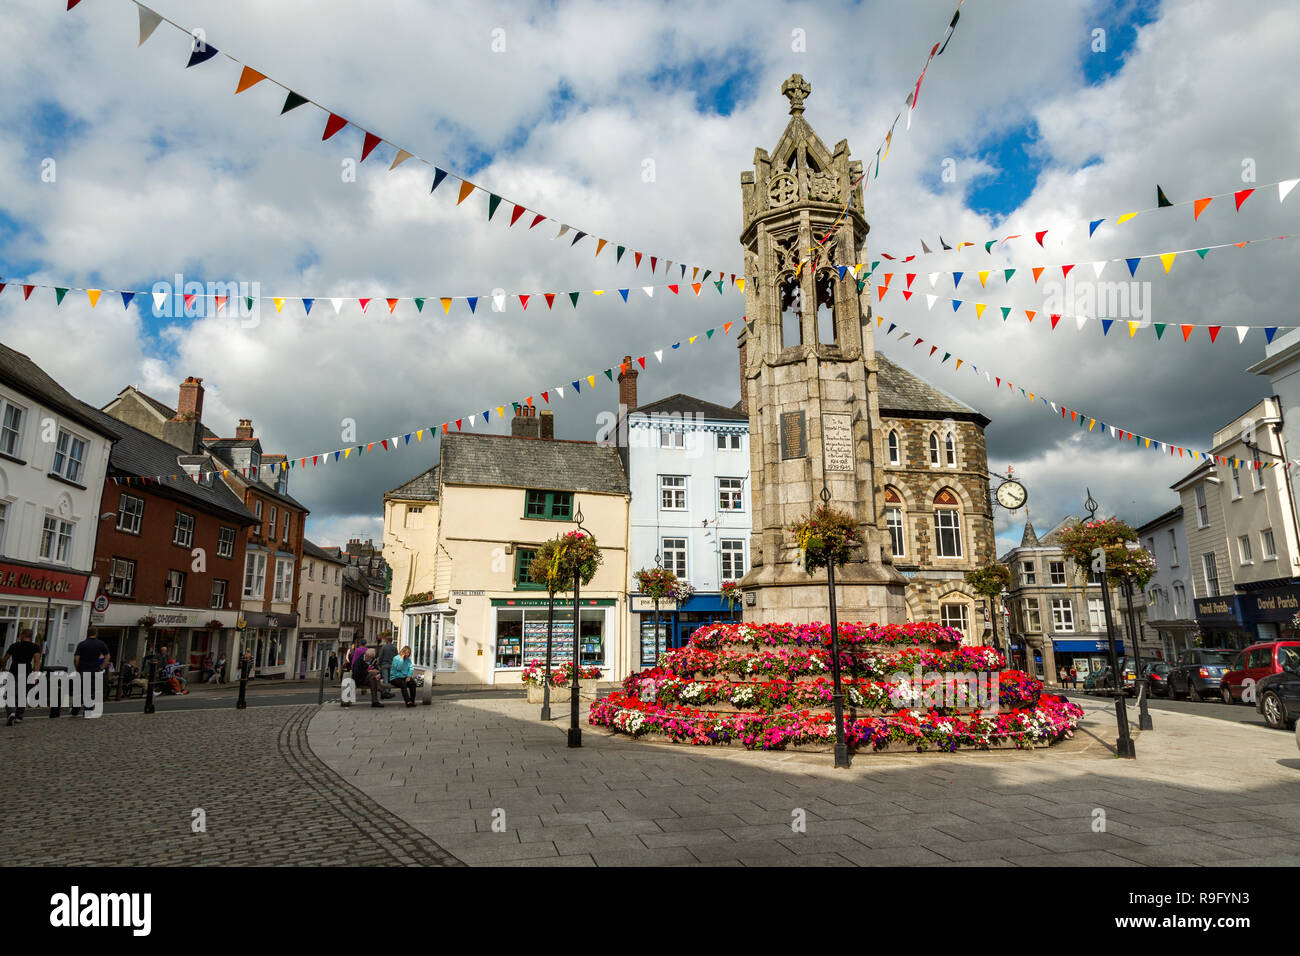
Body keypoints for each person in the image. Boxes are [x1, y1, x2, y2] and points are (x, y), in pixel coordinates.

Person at [1, 628, 41, 725]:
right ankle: (19, 716)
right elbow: (36, 661)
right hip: (26, 670)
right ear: (31, 637)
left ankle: (11, 712)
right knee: (22, 694)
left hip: (14, 670)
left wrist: (3, 668)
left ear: (22, 635)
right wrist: (36, 675)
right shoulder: (35, 647)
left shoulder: (14, 646)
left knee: (10, 693)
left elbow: (5, 659)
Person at [70, 627, 109, 717]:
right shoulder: (100, 644)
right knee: (90, 690)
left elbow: (76, 658)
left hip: (82, 669)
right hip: (94, 670)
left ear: (87, 633)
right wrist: (102, 667)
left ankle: (75, 710)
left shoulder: (82, 644)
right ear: (96, 633)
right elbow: (107, 656)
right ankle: (87, 710)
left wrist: (77, 668)